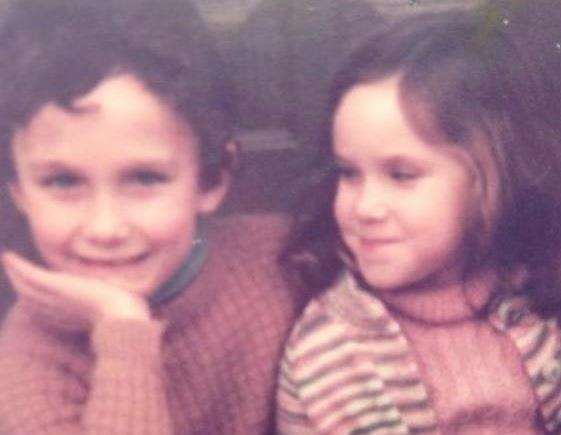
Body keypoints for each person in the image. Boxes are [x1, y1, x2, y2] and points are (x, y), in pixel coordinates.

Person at [0, 0, 304, 433]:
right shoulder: (30, 360)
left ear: (211, 179)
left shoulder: (283, 258)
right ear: (19, 192)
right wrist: (123, 329)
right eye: (63, 182)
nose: (105, 228)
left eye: (144, 178)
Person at [276, 7, 561, 434]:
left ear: (493, 174)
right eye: (348, 173)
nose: (366, 207)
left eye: (401, 175)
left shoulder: (527, 293)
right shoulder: (335, 350)